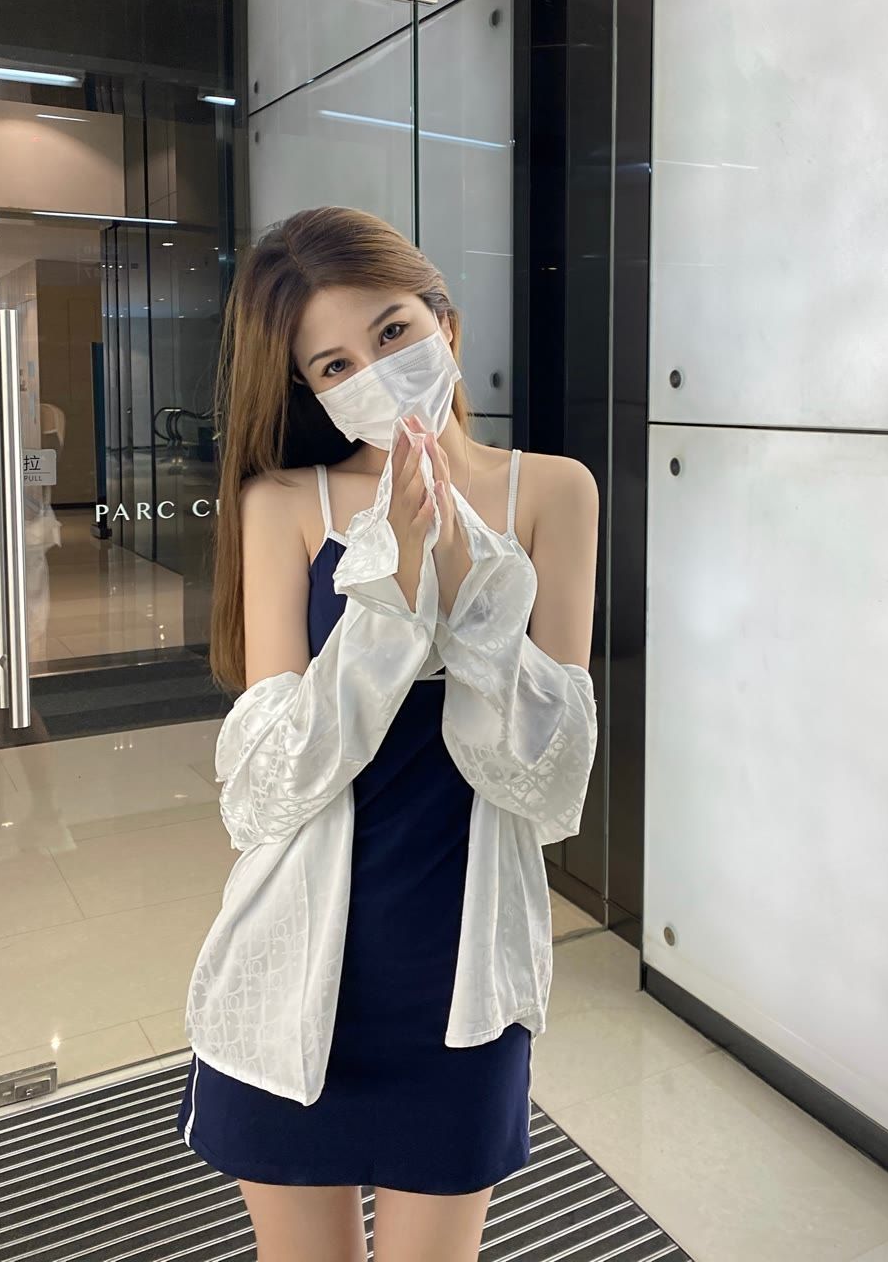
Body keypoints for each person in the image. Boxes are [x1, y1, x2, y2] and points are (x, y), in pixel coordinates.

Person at [174, 205, 599, 1261]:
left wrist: (465, 575)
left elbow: (548, 782)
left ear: (444, 320)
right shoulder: (284, 503)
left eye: (393, 332)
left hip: (460, 976)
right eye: (335, 364)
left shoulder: (553, 492)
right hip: (294, 962)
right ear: (311, 391)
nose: (374, 372)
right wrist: (392, 590)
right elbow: (265, 788)